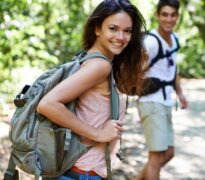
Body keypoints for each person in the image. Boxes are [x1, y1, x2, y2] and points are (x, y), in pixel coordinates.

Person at [36, 0, 146, 179]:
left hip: (74, 170)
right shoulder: (100, 66)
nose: (121, 37)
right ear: (97, 29)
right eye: (113, 28)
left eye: (127, 31)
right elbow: (47, 104)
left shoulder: (87, 58)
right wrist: (98, 133)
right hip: (83, 172)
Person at [136, 0, 188, 179]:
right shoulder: (150, 42)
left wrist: (180, 93)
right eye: (165, 14)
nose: (169, 19)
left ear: (177, 17)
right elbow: (135, 71)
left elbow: (173, 69)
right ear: (157, 16)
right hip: (150, 102)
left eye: (173, 14)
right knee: (156, 157)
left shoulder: (174, 39)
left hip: (165, 101)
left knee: (169, 153)